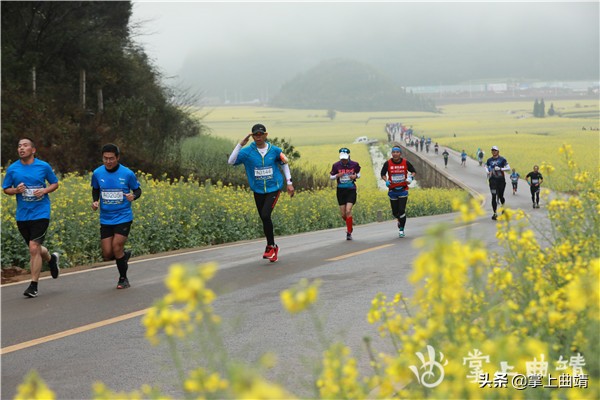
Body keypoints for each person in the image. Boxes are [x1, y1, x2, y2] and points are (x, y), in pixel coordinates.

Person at [228, 124, 295, 262]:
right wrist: (241, 144)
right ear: (252, 136)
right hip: (258, 189)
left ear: (265, 135)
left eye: (260, 134)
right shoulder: (247, 152)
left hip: (273, 188)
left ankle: (270, 246)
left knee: (265, 214)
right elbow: (231, 161)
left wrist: (289, 183)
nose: (258, 137)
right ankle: (273, 246)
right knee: (264, 218)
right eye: (255, 135)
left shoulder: (275, 150)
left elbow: (284, 164)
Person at [2, 138, 60, 298]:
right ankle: (51, 259)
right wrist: (15, 191)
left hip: (41, 213)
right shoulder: (13, 169)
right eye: (19, 146)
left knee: (33, 247)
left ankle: (33, 285)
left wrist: (44, 191)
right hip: (23, 215)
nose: (21, 148)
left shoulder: (43, 166)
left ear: (33, 150)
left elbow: (55, 183)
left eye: (25, 145)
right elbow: (6, 188)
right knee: (34, 247)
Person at [91, 144, 141, 289]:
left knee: (116, 246)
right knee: (107, 253)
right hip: (106, 218)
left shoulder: (127, 173)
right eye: (105, 158)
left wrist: (134, 196)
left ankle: (123, 279)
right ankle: (123, 256)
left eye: (111, 158)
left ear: (117, 158)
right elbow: (95, 189)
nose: (108, 161)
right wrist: (95, 201)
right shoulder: (97, 173)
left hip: (123, 216)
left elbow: (138, 190)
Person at [380, 144, 417, 238]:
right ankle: (399, 220)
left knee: (401, 210)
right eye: (393, 152)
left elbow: (413, 171)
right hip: (392, 190)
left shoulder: (405, 162)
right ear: (391, 153)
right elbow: (382, 174)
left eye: (397, 152)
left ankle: (401, 229)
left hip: (403, 190)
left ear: (400, 153)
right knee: (395, 212)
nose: (395, 154)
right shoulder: (387, 163)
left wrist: (410, 177)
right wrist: (386, 180)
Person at [330, 147, 361, 240]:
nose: (344, 161)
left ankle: (349, 232)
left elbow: (359, 174)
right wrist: (337, 176)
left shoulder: (354, 164)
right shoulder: (336, 165)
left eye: (345, 159)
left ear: (349, 156)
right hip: (340, 190)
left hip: (351, 189)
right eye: (342, 159)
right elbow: (331, 176)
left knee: (348, 211)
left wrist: (355, 176)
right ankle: (350, 224)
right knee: (343, 214)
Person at [485, 146, 511, 220]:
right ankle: (495, 213)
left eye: (495, 150)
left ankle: (503, 208)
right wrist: (487, 171)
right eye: (492, 150)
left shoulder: (502, 159)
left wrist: (500, 168)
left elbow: (508, 168)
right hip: (492, 180)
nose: (494, 152)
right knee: (493, 196)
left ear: (498, 151)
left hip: (501, 180)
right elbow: (486, 166)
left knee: (500, 196)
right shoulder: (489, 160)